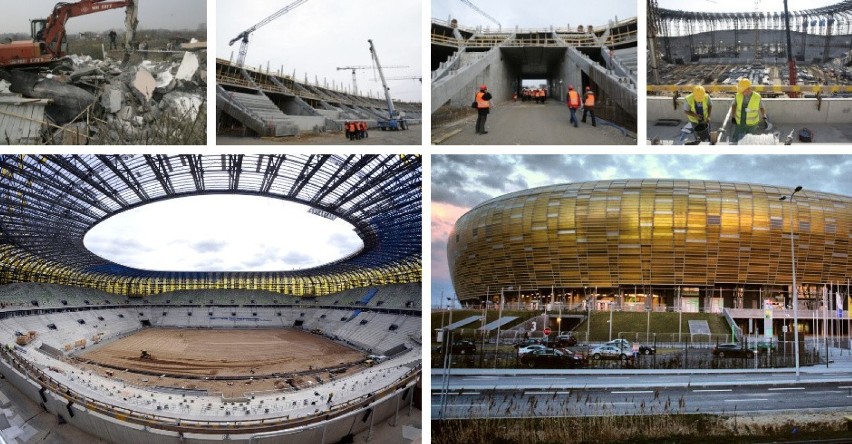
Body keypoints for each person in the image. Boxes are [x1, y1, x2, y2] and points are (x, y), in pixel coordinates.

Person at [730, 77, 768, 143]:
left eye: (743, 91)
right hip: (740, 121)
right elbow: (734, 105)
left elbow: (761, 107)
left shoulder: (757, 96)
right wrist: (733, 116)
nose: (741, 92)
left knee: (751, 139)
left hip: (752, 123)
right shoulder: (738, 95)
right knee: (737, 137)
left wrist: (764, 117)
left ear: (748, 89)